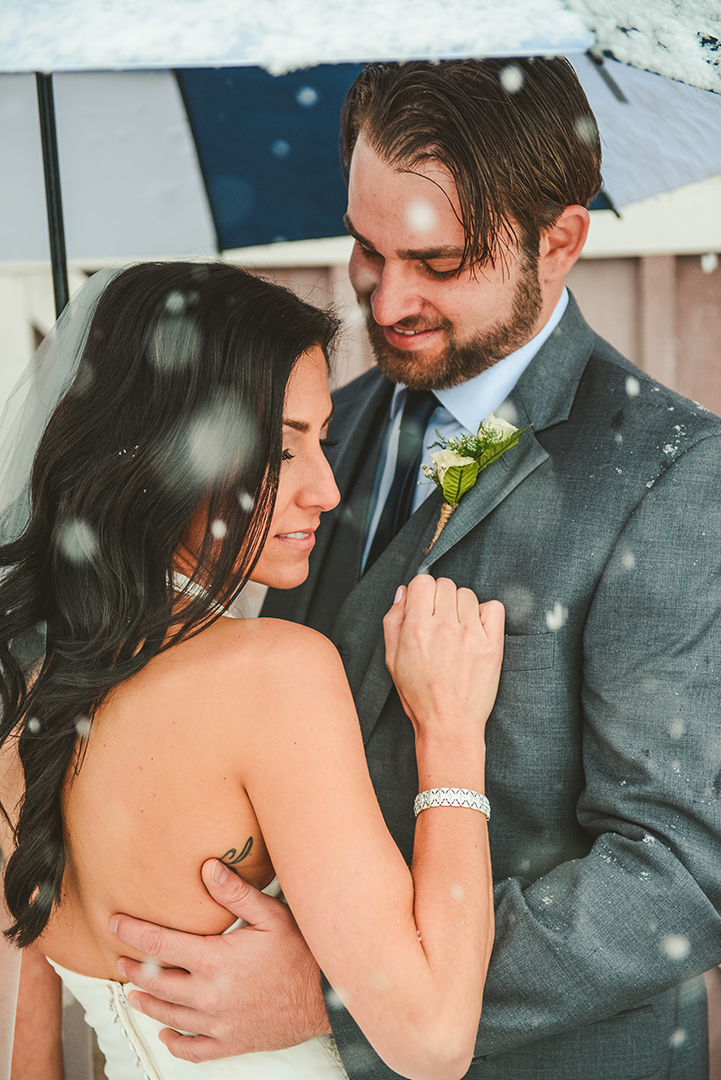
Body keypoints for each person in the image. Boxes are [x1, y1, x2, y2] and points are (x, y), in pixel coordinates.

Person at [110, 58, 721, 1078]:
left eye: (437, 263)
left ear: (559, 241)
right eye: (365, 248)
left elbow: (681, 870)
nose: (387, 299)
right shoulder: (324, 430)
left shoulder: (674, 476)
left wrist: (343, 989)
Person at [0, 261, 506, 1080]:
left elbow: (27, 1053)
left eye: (323, 441)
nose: (327, 491)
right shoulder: (273, 676)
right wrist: (448, 737)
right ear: (161, 452)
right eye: (279, 450)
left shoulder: (17, 693)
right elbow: (435, 1037)